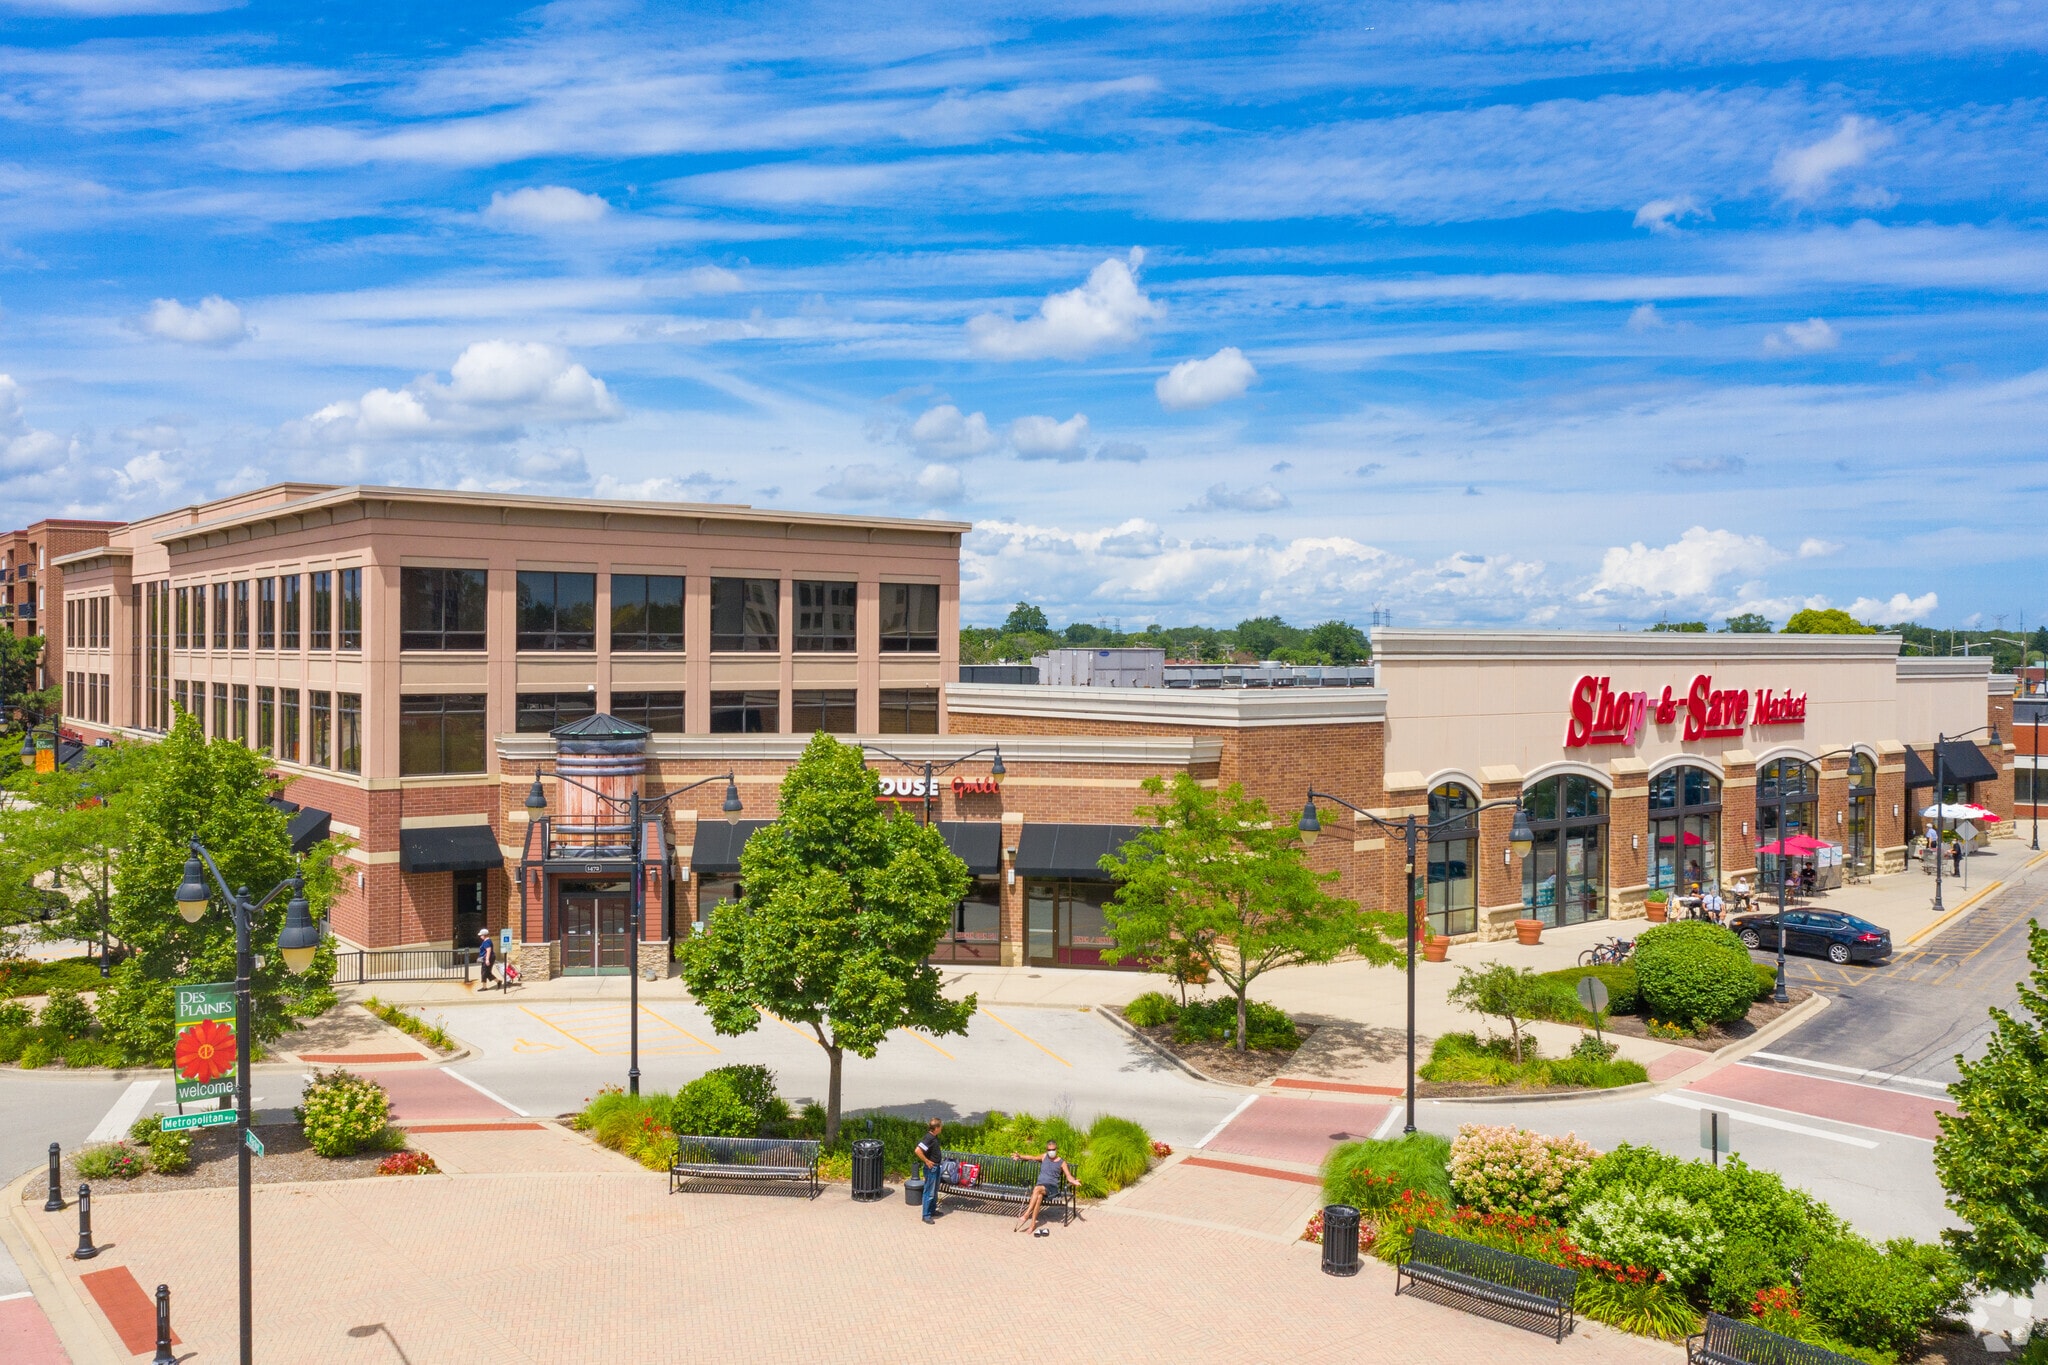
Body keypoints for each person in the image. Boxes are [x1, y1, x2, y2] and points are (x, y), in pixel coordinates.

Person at [1011, 1139, 1077, 1236]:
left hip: (1051, 1189)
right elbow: (1032, 1157)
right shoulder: (1044, 1157)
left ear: (1056, 1149)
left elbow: (1068, 1176)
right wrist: (1020, 1156)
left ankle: (1026, 1214)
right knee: (1038, 1197)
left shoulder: (1061, 1162)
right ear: (1047, 1150)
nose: (1051, 1151)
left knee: (1036, 1189)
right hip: (1041, 1188)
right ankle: (1032, 1225)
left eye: (1053, 1149)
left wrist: (1073, 1181)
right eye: (1049, 1150)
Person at [915, 1118, 943, 1224]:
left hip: (936, 1167)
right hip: (931, 1169)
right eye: (940, 1127)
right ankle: (926, 1215)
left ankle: (932, 1210)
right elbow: (917, 1150)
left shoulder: (934, 1137)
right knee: (929, 1192)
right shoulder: (928, 1138)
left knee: (934, 1191)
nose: (941, 1128)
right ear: (936, 1128)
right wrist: (927, 1161)